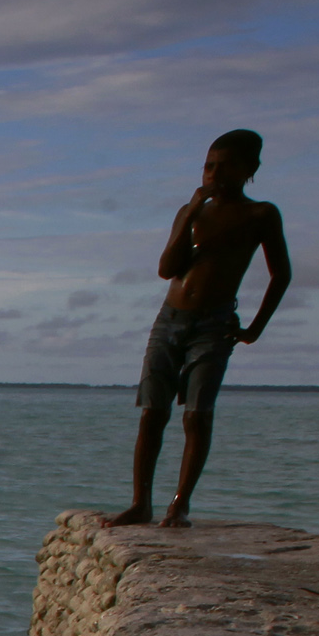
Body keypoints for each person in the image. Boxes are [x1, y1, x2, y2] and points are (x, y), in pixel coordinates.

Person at [114, 130, 291, 526]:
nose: (213, 174)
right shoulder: (190, 211)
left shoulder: (260, 214)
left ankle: (180, 505)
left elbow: (281, 274)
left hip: (214, 323)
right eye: (208, 166)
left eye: (224, 166)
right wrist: (192, 212)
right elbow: (166, 269)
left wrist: (255, 328)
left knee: (196, 414)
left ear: (251, 169)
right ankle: (141, 502)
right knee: (152, 411)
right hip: (169, 319)